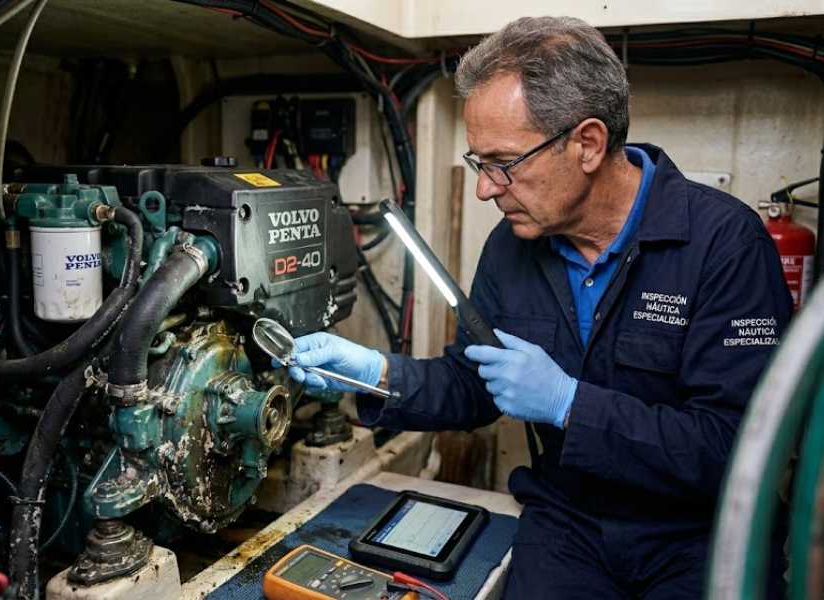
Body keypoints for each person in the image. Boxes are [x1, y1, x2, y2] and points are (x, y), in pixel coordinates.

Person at [280, 16, 792, 599]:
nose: (485, 188)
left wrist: (570, 405)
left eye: (503, 162)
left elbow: (736, 449)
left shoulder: (724, 244)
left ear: (588, 144)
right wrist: (377, 375)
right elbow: (473, 385)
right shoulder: (513, 244)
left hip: (699, 533)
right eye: (479, 163)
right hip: (570, 521)